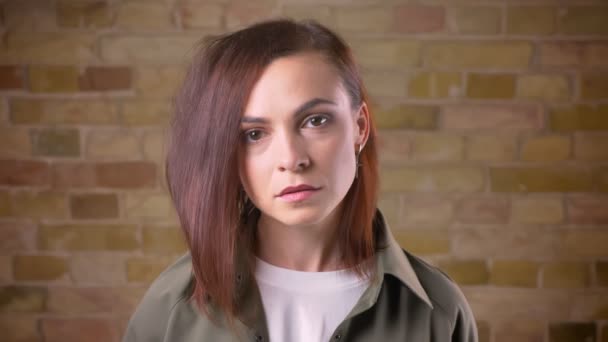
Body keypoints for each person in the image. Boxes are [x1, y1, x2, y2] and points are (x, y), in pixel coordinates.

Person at [122, 18, 478, 342]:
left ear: (360, 127)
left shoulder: (439, 313)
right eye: (254, 134)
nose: (291, 159)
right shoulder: (172, 308)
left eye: (315, 121)